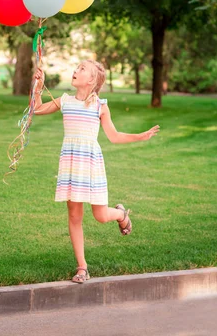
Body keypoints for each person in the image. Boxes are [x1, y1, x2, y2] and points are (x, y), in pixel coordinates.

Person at [33, 60, 160, 284]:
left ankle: (121, 214)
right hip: (71, 165)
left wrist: (140, 136)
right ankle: (82, 267)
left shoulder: (100, 106)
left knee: (101, 216)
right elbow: (37, 109)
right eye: (77, 68)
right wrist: (37, 87)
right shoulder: (65, 101)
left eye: (82, 69)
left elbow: (114, 136)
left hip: (90, 165)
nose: (75, 71)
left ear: (91, 80)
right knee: (74, 215)